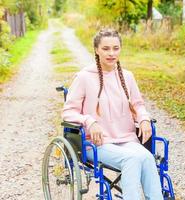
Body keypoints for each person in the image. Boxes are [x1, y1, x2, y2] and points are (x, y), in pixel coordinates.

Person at [62, 29, 163, 200]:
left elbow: (138, 105)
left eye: (115, 48)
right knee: (131, 159)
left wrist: (144, 119)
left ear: (120, 49)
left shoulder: (128, 76)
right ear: (96, 50)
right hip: (96, 143)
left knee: (146, 157)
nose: (111, 53)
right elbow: (68, 112)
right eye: (106, 48)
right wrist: (90, 121)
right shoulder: (84, 77)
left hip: (126, 138)